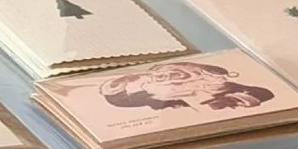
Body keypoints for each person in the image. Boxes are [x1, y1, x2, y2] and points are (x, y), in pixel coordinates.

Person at [99, 59, 276, 113]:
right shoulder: (158, 97)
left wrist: (230, 99)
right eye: (161, 76)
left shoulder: (222, 87)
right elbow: (120, 100)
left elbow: (264, 93)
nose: (167, 76)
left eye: (174, 72)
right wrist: (121, 82)